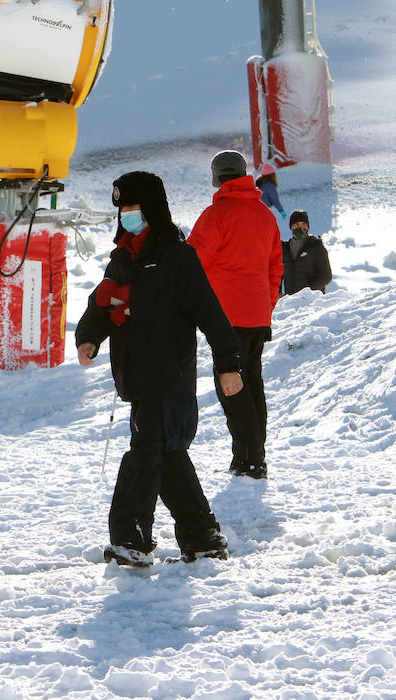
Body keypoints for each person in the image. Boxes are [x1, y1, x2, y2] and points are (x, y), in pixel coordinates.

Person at [76, 171, 243, 567]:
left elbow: (211, 314)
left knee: (146, 455)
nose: (128, 215)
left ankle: (130, 541)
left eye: (134, 207)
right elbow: (100, 305)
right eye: (124, 209)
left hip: (169, 374)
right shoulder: (122, 258)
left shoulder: (176, 256)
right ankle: (202, 538)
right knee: (167, 455)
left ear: (153, 208)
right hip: (135, 376)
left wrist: (228, 365)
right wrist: (88, 337)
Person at [187, 150, 283, 480]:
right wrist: (266, 305)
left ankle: (251, 459)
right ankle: (249, 457)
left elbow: (192, 262)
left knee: (230, 384)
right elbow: (275, 269)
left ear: (217, 178)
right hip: (257, 313)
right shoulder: (264, 215)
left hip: (227, 315)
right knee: (252, 382)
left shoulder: (217, 215)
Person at [282, 210, 332, 295]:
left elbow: (326, 276)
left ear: (308, 227)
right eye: (297, 224)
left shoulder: (316, 246)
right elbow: (277, 274)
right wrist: (278, 292)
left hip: (313, 301)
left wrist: (309, 292)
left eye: (303, 224)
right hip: (290, 301)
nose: (300, 227)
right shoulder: (284, 248)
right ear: (291, 227)